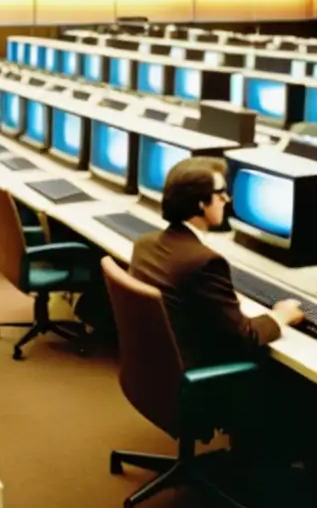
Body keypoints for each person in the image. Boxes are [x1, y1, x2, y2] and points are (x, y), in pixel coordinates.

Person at [129, 157, 303, 369]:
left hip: (155, 367)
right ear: (201, 204)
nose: (227, 199)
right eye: (220, 193)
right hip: (194, 369)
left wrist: (222, 298)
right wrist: (280, 316)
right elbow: (245, 337)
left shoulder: (145, 244)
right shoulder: (204, 261)